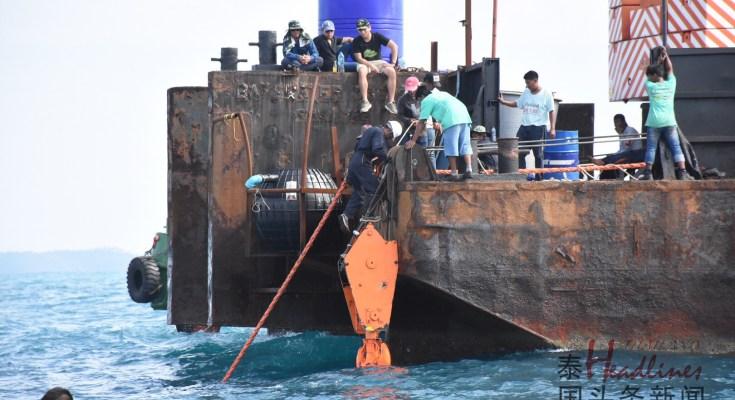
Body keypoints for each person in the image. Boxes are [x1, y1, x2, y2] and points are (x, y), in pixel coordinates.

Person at [637, 48, 692, 180]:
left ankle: (648, 174)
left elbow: (649, 73)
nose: (649, 76)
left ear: (654, 76)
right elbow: (669, 70)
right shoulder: (671, 84)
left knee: (651, 148)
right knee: (675, 147)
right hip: (669, 122)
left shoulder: (650, 86)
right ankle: (683, 172)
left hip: (653, 122)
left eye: (651, 75)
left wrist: (657, 62)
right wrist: (665, 57)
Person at [339, 120, 402, 233]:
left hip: (355, 162)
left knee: (359, 191)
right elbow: (377, 149)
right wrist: (388, 159)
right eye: (390, 136)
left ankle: (347, 214)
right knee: (375, 188)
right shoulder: (378, 132)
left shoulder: (371, 131)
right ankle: (368, 217)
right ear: (389, 130)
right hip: (362, 163)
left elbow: (358, 145)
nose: (388, 138)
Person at [497, 70, 556, 180]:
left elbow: (551, 111)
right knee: (519, 152)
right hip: (525, 127)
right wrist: (503, 102)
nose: (527, 85)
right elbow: (517, 103)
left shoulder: (546, 94)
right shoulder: (526, 92)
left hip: (538, 127)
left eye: (528, 83)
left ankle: (539, 178)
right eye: (526, 83)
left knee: (538, 155)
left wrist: (552, 128)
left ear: (535, 81)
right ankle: (522, 176)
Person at [405, 90, 473, 180]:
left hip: (451, 119)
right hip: (464, 115)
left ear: (421, 97)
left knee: (450, 146)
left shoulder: (426, 100)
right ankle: (469, 169)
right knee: (465, 144)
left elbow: (421, 122)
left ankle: (453, 173)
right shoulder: (442, 94)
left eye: (418, 101)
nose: (419, 104)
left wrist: (413, 140)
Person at [351, 18, 399, 114]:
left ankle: (391, 102)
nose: (363, 32)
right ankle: (365, 101)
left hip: (378, 62)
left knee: (391, 71)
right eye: (360, 30)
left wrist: (393, 63)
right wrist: (371, 66)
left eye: (364, 29)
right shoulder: (356, 41)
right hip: (365, 63)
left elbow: (394, 46)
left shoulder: (377, 36)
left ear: (369, 28)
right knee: (362, 71)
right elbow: (359, 59)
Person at [592, 114, 644, 179]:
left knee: (617, 157)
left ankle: (603, 161)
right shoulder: (623, 132)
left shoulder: (630, 130)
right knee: (613, 157)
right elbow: (622, 149)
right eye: (615, 123)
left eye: (617, 122)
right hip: (628, 153)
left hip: (636, 154)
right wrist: (613, 155)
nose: (616, 125)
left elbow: (626, 148)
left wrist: (620, 134)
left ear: (623, 122)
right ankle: (604, 165)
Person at [396, 76, 420, 143]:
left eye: (413, 89)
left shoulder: (424, 98)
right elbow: (400, 115)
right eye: (409, 90)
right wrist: (409, 120)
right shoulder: (402, 100)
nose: (411, 92)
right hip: (408, 129)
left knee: (425, 151)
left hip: (423, 130)